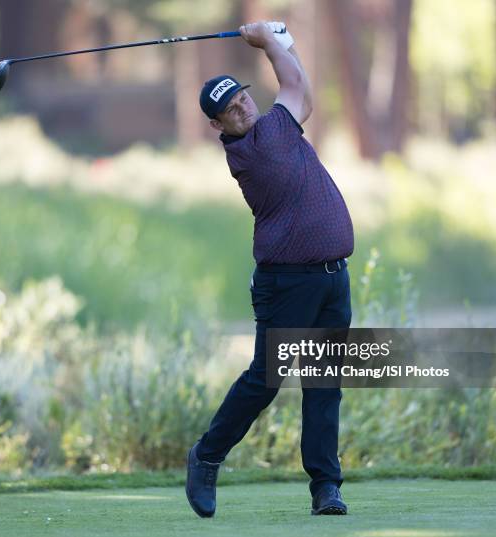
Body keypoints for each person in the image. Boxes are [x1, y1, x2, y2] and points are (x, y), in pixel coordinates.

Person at [186, 21, 354, 518]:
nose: (242, 108)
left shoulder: (273, 129)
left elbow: (302, 95)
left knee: (325, 381)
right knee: (267, 379)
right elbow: (298, 88)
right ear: (219, 126)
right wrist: (266, 42)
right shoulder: (257, 149)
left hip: (330, 277)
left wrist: (283, 43)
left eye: (242, 99)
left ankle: (326, 487)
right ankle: (207, 455)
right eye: (230, 111)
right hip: (289, 282)